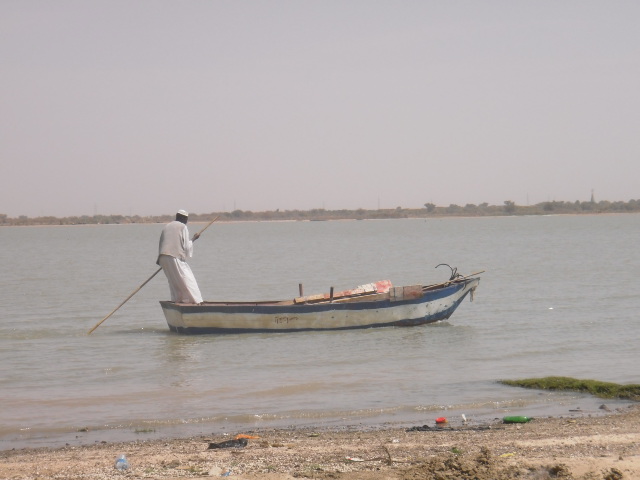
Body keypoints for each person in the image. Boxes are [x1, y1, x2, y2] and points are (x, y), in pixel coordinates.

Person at [157, 209, 203, 304]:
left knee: (174, 281)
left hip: (162, 257)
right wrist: (194, 239)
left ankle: (177, 301)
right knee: (188, 278)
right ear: (183, 218)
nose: (186, 222)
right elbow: (186, 247)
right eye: (186, 219)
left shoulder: (167, 226)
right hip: (174, 256)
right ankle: (197, 302)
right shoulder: (182, 227)